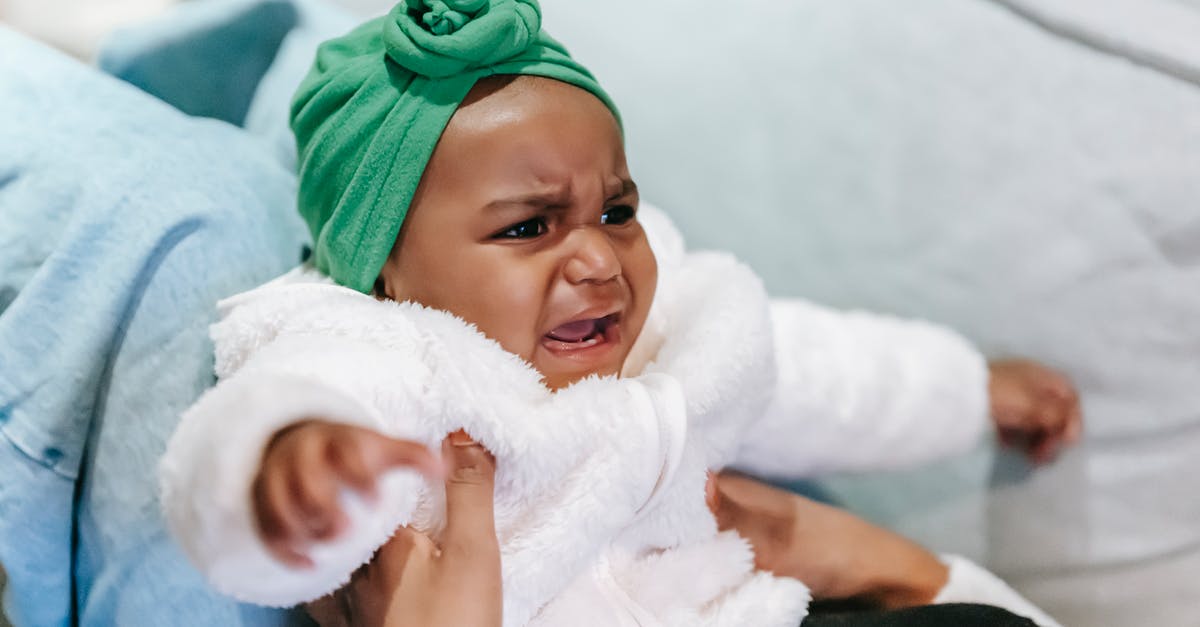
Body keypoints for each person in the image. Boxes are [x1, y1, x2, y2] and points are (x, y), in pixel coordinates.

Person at [159, 1, 1079, 625]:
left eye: (616, 209)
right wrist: (285, 467)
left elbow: (814, 371)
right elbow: (281, 404)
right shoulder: (392, 355)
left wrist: (969, 391)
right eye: (529, 226)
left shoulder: (672, 310)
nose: (598, 257)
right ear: (386, 261)